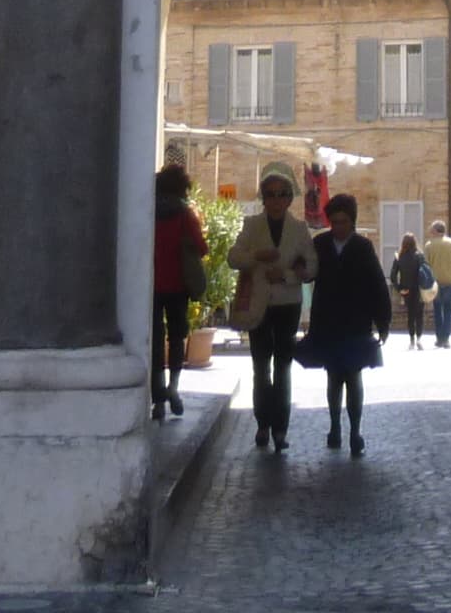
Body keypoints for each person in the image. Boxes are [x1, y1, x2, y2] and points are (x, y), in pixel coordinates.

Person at [227, 169, 317, 455]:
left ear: (289, 199)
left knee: (283, 367)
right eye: (270, 194)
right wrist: (256, 256)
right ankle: (262, 423)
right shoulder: (252, 225)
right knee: (260, 366)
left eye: (282, 194)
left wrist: (290, 275)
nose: (276, 200)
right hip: (259, 305)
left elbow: (312, 266)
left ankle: (281, 428)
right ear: (263, 198)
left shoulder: (300, 229)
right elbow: (233, 257)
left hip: (288, 304)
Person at [299, 192, 391, 455]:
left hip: (355, 321)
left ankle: (355, 431)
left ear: (351, 221)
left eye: (343, 222)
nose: (338, 227)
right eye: (334, 222)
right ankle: (334, 426)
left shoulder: (363, 247)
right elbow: (308, 274)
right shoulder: (321, 244)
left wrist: (382, 320)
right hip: (327, 320)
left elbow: (376, 283)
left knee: (353, 375)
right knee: (333, 376)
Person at [150, 163, 206, 420]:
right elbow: (201, 247)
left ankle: (157, 397)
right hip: (177, 286)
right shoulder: (184, 214)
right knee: (176, 337)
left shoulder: (147, 211)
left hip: (150, 285)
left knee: (154, 339)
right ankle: (173, 387)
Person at [422, 221, 451, 350]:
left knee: (437, 310)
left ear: (436, 231)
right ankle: (446, 338)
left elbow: (426, 265)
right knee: (448, 310)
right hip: (449, 280)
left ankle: (439, 338)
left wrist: (425, 282)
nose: (430, 232)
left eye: (431, 230)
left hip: (435, 282)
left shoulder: (429, 245)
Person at [388, 222, 431, 349]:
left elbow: (392, 276)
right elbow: (426, 272)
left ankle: (411, 339)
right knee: (420, 315)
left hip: (406, 290)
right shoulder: (420, 256)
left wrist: (399, 289)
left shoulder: (399, 257)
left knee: (410, 315)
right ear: (414, 242)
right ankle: (419, 339)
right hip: (419, 289)